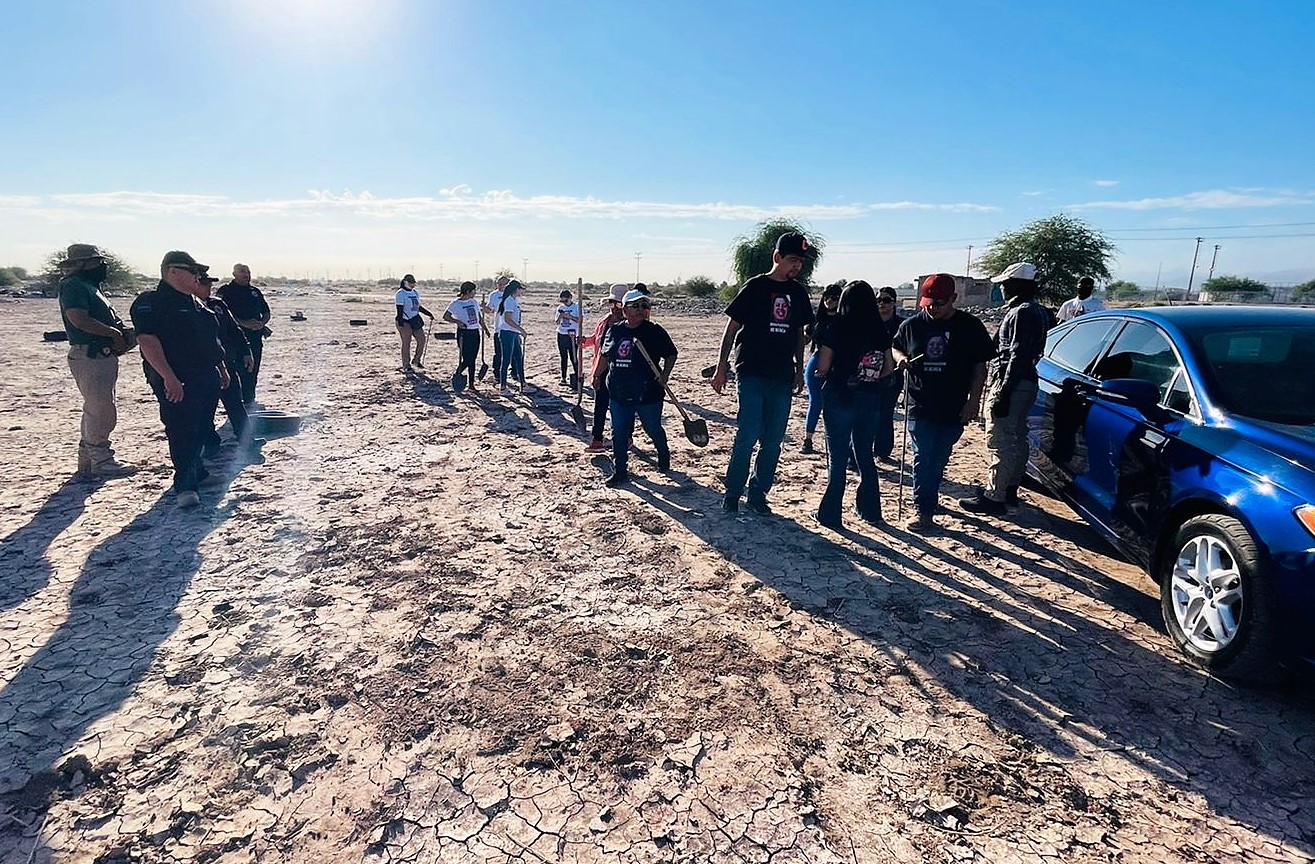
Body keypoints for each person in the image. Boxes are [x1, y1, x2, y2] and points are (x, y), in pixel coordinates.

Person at [712, 232, 815, 515]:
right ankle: (733, 492)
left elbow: (798, 333)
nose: (797, 266)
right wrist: (721, 367)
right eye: (792, 260)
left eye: (801, 262)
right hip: (751, 371)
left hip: (781, 375)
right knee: (747, 433)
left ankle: (758, 493)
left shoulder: (798, 293)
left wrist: (799, 368)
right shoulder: (755, 287)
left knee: (773, 439)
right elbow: (731, 329)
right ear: (777, 257)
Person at [891, 274, 994, 533]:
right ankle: (923, 510)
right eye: (928, 303)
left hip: (954, 405)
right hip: (920, 403)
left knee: (939, 457)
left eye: (939, 303)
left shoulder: (970, 326)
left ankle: (930, 495)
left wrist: (974, 401)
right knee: (923, 456)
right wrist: (901, 358)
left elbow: (979, 369)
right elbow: (895, 346)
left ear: (953, 299)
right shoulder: (912, 325)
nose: (933, 309)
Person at [130, 251, 229, 509]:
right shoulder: (152, 303)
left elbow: (210, 341)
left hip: (206, 376)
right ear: (172, 272)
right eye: (192, 271)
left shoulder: (197, 303)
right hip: (178, 379)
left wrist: (221, 368)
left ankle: (199, 473)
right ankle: (186, 486)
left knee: (202, 427)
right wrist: (169, 377)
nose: (198, 276)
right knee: (182, 430)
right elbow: (147, 341)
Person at [960, 262, 1052, 517]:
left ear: (1017, 285)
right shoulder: (1038, 311)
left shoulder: (1022, 313)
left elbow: (1017, 355)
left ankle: (995, 496)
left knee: (1000, 440)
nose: (1001, 288)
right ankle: (1009, 488)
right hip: (1027, 382)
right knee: (1017, 437)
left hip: (1012, 382)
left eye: (1005, 283)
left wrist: (1004, 392)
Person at [812, 281, 895, 530]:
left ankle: (831, 514)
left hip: (839, 396)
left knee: (837, 459)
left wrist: (820, 374)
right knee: (865, 455)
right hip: (869, 398)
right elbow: (888, 368)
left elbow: (823, 366)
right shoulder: (879, 330)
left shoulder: (837, 327)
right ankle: (871, 511)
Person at [56, 244, 139, 480]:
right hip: (91, 355)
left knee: (95, 408)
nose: (101, 266)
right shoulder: (74, 285)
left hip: (100, 355)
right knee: (101, 409)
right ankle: (102, 460)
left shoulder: (88, 286)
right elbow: (78, 318)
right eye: (96, 261)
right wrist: (112, 333)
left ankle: (88, 460)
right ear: (81, 264)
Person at [593, 289, 677, 487]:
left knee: (652, 428)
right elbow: (605, 356)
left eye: (644, 305)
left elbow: (671, 354)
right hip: (618, 390)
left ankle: (663, 453)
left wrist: (665, 374)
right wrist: (596, 375)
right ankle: (620, 471)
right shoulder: (615, 331)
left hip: (648, 392)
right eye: (635, 306)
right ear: (625, 310)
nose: (641, 309)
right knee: (619, 432)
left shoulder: (654, 331)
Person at [195, 268, 259, 456]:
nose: (209, 289)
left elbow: (234, 330)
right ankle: (211, 444)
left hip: (227, 362)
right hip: (204, 367)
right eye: (205, 285)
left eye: (210, 285)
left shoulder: (217, 305)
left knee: (235, 403)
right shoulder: (189, 308)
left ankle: (247, 441)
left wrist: (246, 351)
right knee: (206, 409)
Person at [217, 263, 271, 405]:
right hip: (233, 339)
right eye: (242, 272)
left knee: (252, 371)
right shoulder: (226, 291)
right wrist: (243, 323)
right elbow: (221, 315)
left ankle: (249, 400)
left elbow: (266, 312)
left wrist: (261, 323)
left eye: (248, 272)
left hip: (254, 338)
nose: (246, 274)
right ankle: (237, 403)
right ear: (234, 274)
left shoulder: (254, 292)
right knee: (236, 372)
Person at [582, 284, 628, 451]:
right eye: (612, 303)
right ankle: (597, 439)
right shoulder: (604, 321)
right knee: (600, 404)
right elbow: (597, 339)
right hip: (601, 369)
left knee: (621, 407)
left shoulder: (630, 324)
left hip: (622, 371)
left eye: (619, 304)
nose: (615, 308)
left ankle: (626, 437)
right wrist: (585, 341)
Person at [801, 282, 843, 455]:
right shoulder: (817, 321)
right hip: (816, 363)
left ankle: (834, 441)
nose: (829, 301)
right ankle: (808, 438)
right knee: (816, 401)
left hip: (837, 365)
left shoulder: (844, 321)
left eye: (834, 297)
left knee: (833, 404)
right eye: (826, 297)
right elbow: (805, 340)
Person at [873, 285, 906, 464]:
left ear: (894, 303)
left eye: (886, 300)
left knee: (885, 413)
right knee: (869, 412)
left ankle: (883, 450)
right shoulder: (870, 323)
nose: (881, 304)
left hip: (893, 375)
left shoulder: (902, 325)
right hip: (870, 374)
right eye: (878, 300)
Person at [443, 281, 488, 391]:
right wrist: (457, 321)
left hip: (475, 332)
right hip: (464, 333)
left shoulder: (474, 301)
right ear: (468, 291)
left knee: (473, 358)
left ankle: (471, 384)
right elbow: (446, 316)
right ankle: (458, 374)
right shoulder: (456, 303)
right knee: (468, 359)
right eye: (474, 291)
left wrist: (485, 328)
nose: (475, 293)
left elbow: (479, 317)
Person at [394, 274, 434, 372]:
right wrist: (401, 324)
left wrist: (428, 313)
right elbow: (399, 310)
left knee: (422, 340)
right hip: (404, 321)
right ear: (405, 282)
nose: (412, 285)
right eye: (410, 283)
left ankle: (416, 361)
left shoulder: (415, 293)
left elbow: (417, 307)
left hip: (414, 320)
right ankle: (406, 365)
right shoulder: (400, 293)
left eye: (413, 283)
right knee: (406, 343)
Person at [495, 280, 527, 395]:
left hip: (513, 333)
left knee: (519, 358)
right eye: (520, 289)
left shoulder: (513, 300)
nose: (522, 291)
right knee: (506, 360)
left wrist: (518, 331)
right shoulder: (509, 301)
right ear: (516, 289)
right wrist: (520, 329)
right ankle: (503, 387)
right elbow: (507, 319)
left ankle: (523, 384)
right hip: (507, 333)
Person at [484, 275, 511, 380]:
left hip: (511, 327)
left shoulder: (512, 295)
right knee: (498, 352)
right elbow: (489, 310)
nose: (500, 286)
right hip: (499, 327)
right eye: (499, 284)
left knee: (513, 351)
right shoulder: (493, 295)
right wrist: (484, 307)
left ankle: (514, 372)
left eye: (503, 284)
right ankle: (497, 373)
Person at [555, 288, 582, 387]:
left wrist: (570, 317)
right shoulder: (560, 308)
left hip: (573, 335)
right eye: (562, 301)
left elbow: (580, 321)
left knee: (573, 356)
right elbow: (557, 322)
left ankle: (578, 377)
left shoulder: (577, 307)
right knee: (563, 357)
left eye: (566, 300)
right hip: (562, 334)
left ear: (570, 297)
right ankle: (563, 377)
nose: (564, 303)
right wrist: (561, 316)